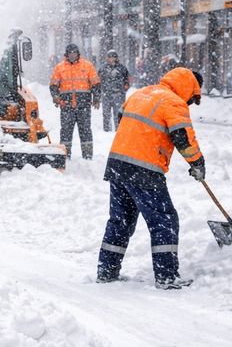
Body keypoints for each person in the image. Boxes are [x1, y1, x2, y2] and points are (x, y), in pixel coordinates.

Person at [96, 67, 204, 290]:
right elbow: (182, 138)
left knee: (120, 221)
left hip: (117, 164)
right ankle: (166, 277)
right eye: (192, 97)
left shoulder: (141, 94)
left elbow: (121, 121)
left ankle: (106, 271)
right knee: (165, 221)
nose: (190, 103)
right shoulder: (174, 102)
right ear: (189, 88)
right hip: (144, 169)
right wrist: (197, 163)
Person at [49, 43, 100, 159]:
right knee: (66, 131)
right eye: (70, 53)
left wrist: (96, 98)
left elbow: (96, 83)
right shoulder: (59, 67)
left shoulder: (87, 66)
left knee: (85, 131)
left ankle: (87, 156)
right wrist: (56, 97)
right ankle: (65, 156)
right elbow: (53, 85)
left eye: (74, 53)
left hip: (84, 105)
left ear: (78, 54)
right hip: (66, 106)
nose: (72, 55)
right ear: (66, 54)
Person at [98, 50, 131, 132]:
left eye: (113, 57)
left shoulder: (122, 68)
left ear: (116, 58)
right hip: (106, 94)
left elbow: (127, 80)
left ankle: (119, 130)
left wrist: (124, 88)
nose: (111, 59)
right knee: (106, 114)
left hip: (118, 95)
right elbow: (98, 81)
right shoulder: (103, 68)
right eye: (110, 57)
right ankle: (106, 131)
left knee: (118, 114)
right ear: (107, 58)